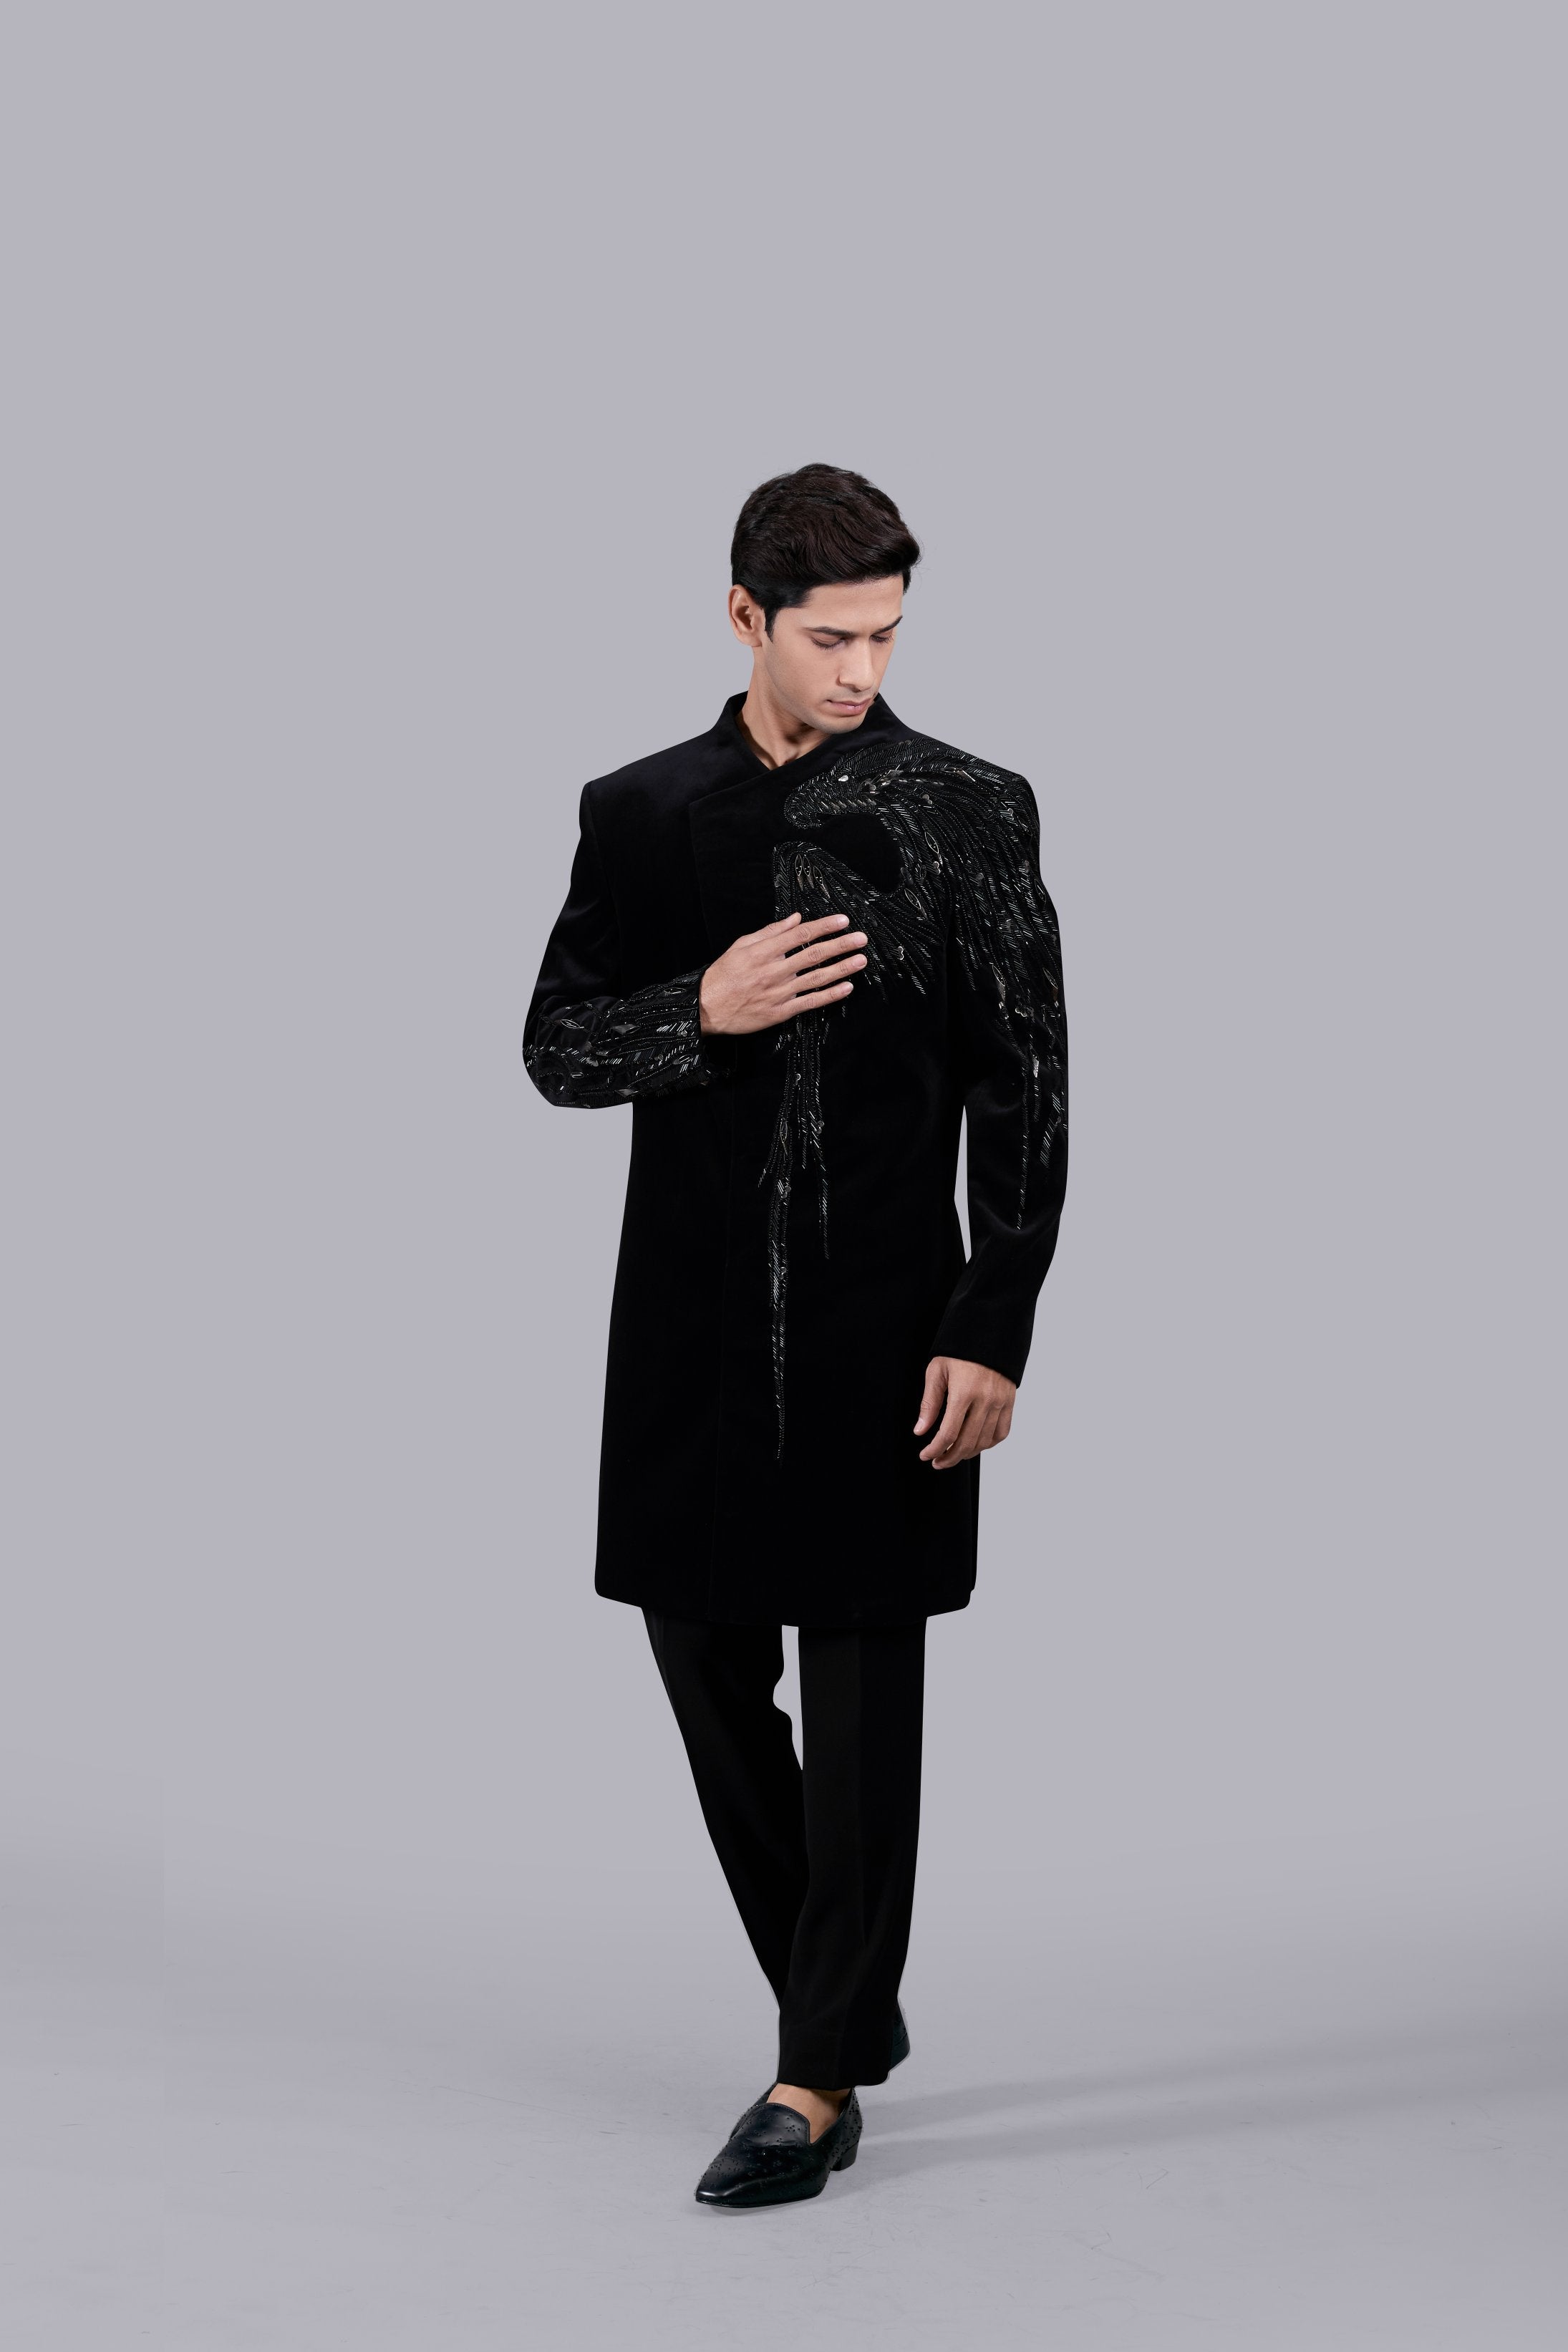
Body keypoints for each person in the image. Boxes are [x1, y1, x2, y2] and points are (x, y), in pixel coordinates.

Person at [523, 463, 1068, 2208]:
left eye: (888, 635)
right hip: (684, 1327)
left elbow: (1027, 1079)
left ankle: (814, 2072)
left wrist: (995, 1317)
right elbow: (556, 1044)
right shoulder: (636, 809)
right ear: (744, 615)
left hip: (886, 1321)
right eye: (830, 637)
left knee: (861, 1681)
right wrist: (702, 1004)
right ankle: (845, 1989)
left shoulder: (968, 806)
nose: (862, 670)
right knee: (700, 1655)